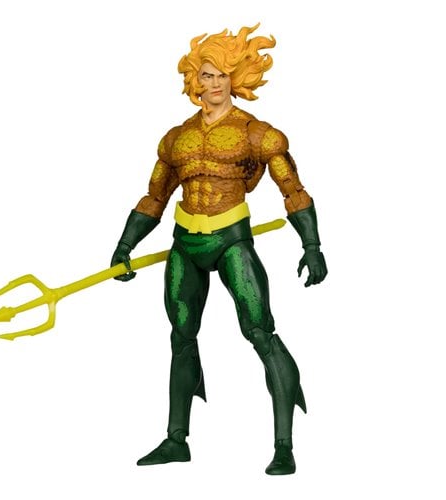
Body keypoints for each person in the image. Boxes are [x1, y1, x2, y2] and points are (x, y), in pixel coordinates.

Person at [110, 24, 327, 475]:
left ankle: (284, 446)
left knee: (260, 332)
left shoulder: (257, 133)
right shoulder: (177, 138)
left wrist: (312, 245)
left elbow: (293, 189)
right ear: (195, 78)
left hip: (231, 240)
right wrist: (124, 245)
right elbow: (154, 197)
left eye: (222, 75)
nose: (214, 83)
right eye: (206, 74)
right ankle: (176, 440)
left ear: (236, 78)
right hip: (185, 243)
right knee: (181, 338)